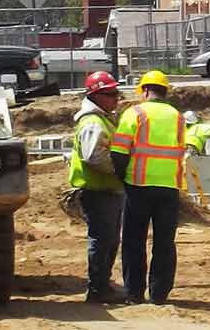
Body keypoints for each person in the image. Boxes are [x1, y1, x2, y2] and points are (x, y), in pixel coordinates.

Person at [109, 70, 187, 304]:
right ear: (165, 92)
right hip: (169, 187)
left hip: (138, 185)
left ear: (144, 91)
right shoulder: (178, 117)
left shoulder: (136, 113)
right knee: (165, 242)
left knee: (134, 241)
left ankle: (134, 293)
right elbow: (181, 150)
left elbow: (119, 151)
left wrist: (123, 179)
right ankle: (159, 294)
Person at [68, 70, 126, 303]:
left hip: (107, 190)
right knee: (102, 240)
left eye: (116, 93)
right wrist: (120, 169)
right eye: (110, 94)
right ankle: (98, 289)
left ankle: (102, 286)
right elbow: (94, 157)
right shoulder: (93, 122)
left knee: (109, 239)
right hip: (99, 191)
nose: (115, 98)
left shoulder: (102, 119)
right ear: (96, 96)